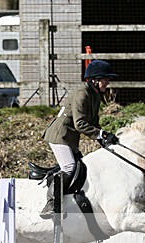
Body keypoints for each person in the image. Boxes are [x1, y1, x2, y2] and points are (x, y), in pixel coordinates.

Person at [40, 59, 119, 218]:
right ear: (95, 80)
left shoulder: (95, 95)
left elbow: (94, 123)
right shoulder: (81, 93)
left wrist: (105, 140)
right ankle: (51, 203)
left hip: (69, 138)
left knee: (81, 167)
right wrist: (101, 134)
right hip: (59, 135)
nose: (107, 82)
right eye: (105, 79)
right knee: (69, 168)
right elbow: (80, 124)